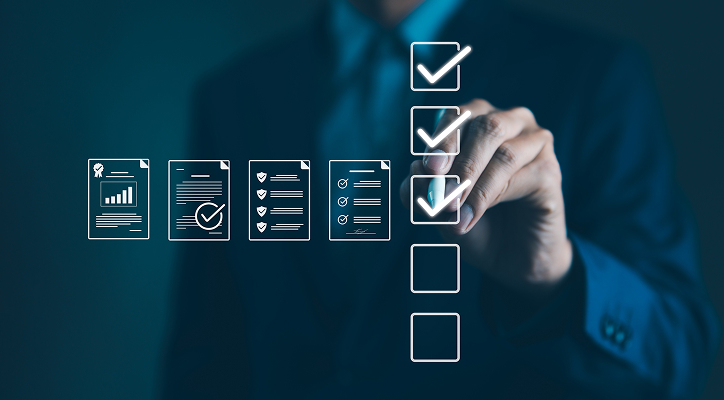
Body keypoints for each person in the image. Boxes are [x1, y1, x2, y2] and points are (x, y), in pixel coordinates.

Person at [163, 0, 720, 398]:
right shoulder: (231, 98)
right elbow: (206, 352)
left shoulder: (594, 75)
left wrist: (557, 278)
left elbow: (680, 360)